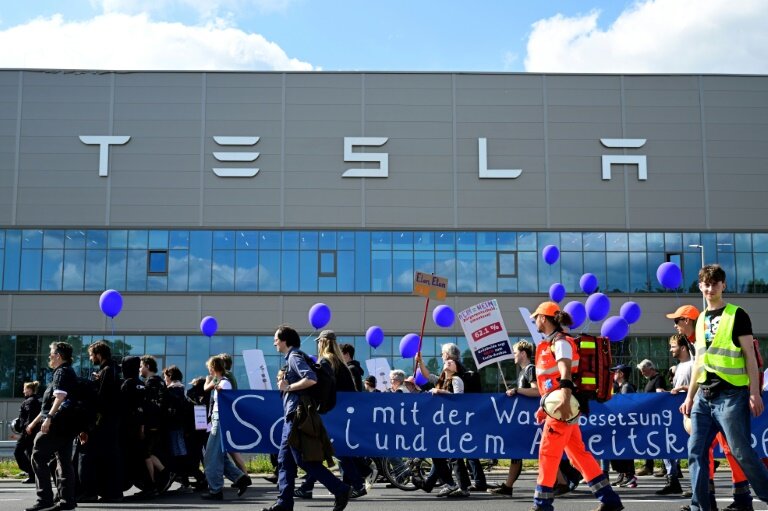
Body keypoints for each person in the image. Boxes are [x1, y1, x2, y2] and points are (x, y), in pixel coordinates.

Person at [680, 265, 768, 511]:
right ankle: (700, 507)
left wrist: (754, 392)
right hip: (704, 398)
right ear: (700, 287)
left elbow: (750, 357)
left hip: (732, 396)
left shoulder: (737, 314)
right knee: (695, 452)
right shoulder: (699, 322)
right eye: (706, 284)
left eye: (715, 283)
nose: (710, 288)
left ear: (723, 285)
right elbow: (699, 361)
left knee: (741, 452)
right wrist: (690, 397)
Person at [529, 301, 623, 511]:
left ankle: (542, 503)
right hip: (561, 406)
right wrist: (543, 408)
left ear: (544, 318)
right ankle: (609, 499)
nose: (535, 320)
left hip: (563, 407)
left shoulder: (560, 342)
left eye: (536, 317)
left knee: (547, 453)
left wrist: (564, 396)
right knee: (578, 454)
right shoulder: (551, 342)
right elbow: (548, 383)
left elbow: (565, 372)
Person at [668, 304, 755, 511]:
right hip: (714, 400)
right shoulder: (694, 340)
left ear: (687, 321)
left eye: (677, 321)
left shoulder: (702, 337)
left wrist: (691, 398)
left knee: (727, 449)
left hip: (720, 400)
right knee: (712, 450)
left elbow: (707, 372)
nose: (675, 326)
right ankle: (711, 500)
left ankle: (734, 501)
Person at [262, 324, 351, 511]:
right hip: (294, 414)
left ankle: (340, 488)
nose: (274, 343)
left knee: (303, 459)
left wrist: (288, 387)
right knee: (284, 461)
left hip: (297, 415)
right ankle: (284, 503)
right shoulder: (294, 356)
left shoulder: (294, 356)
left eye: (276, 339)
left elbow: (311, 378)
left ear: (285, 340)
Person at [295, 330, 367, 499]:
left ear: (323, 343)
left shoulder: (328, 361)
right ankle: (308, 486)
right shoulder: (340, 363)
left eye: (319, 342)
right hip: (343, 411)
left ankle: (357, 483)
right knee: (328, 449)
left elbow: (325, 387)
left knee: (331, 449)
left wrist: (319, 406)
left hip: (333, 412)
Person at [24, 342, 79, 511]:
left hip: (57, 424)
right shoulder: (66, 372)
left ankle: (44, 499)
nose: (49, 356)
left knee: (38, 455)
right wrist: (34, 423)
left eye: (51, 353)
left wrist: (48, 419)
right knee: (63, 461)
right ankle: (67, 501)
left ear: (59, 356)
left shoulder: (61, 372)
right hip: (66, 426)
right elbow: (49, 403)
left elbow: (60, 397)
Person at [412, 343, 472, 498]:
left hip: (453, 423)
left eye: (449, 361)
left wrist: (439, 392)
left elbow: (459, 397)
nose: (445, 360)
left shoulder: (456, 380)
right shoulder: (443, 379)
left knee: (453, 456)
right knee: (440, 454)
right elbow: (427, 376)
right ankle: (452, 484)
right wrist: (420, 362)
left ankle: (461, 487)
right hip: (442, 423)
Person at [489, 340, 539, 497]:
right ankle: (508, 487)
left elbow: (537, 391)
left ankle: (562, 482)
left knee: (540, 452)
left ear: (523, 354)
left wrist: (517, 390)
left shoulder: (530, 369)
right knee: (517, 453)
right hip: (523, 421)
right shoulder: (522, 372)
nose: (513, 356)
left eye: (515, 352)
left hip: (531, 420)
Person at [76, 340, 123, 503]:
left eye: (91, 355)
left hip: (102, 421)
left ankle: (90, 492)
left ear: (99, 355)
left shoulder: (107, 371)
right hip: (113, 421)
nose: (90, 359)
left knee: (89, 456)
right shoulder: (115, 370)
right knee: (110, 457)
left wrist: (89, 425)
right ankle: (112, 492)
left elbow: (101, 399)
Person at [201, 355, 250, 500]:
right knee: (219, 455)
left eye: (209, 367)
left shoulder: (225, 381)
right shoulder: (219, 379)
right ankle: (240, 478)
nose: (208, 370)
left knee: (211, 456)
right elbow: (206, 388)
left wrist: (214, 383)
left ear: (213, 367)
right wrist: (210, 381)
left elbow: (221, 388)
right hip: (217, 419)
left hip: (221, 419)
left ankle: (216, 490)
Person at [656, 334, 693, 496]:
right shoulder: (678, 367)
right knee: (667, 445)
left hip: (691, 413)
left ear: (683, 348)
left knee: (693, 449)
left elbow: (697, 386)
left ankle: (697, 484)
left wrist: (683, 388)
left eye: (673, 346)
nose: (670, 349)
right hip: (676, 412)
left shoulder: (693, 364)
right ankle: (673, 480)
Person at [138, 355, 173, 496]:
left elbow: (148, 406)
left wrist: (142, 425)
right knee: (149, 453)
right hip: (159, 424)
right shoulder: (160, 382)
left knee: (145, 453)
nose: (139, 369)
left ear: (147, 366)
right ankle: (155, 482)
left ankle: (154, 483)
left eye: (141, 366)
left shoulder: (151, 383)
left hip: (151, 424)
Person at [606, 365, 637, 489]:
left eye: (615, 372)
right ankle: (622, 474)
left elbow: (624, 406)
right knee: (617, 450)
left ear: (621, 374)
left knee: (625, 449)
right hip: (617, 423)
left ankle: (630, 475)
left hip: (624, 424)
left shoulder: (626, 387)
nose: (613, 374)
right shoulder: (618, 387)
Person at [636, 358, 667, 477]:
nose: (642, 373)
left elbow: (659, 393)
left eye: (644, 370)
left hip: (657, 415)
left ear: (651, 368)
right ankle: (649, 465)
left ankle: (666, 467)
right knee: (649, 440)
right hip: (650, 415)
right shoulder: (651, 380)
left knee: (660, 440)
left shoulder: (658, 378)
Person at [14, 381, 41, 485]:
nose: (23, 391)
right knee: (29, 454)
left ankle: (31, 472)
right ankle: (32, 476)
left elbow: (29, 417)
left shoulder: (30, 401)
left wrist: (27, 428)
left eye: (25, 389)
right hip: (31, 431)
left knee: (18, 452)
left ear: (30, 390)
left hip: (28, 432)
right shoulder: (34, 400)